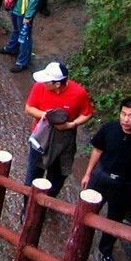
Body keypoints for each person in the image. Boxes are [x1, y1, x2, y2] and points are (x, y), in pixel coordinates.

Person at [79, 98, 131, 261]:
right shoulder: (109, 128)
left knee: (114, 219)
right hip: (101, 176)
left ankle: (105, 250)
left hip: (125, 184)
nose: (125, 119)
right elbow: (97, 150)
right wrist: (88, 174)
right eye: (123, 114)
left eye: (130, 116)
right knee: (86, 209)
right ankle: (79, 240)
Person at [21, 61, 94, 196]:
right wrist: (47, 116)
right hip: (40, 138)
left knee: (57, 178)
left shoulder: (78, 93)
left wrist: (72, 124)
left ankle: (48, 202)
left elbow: (87, 113)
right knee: (32, 176)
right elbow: (29, 108)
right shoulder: (39, 87)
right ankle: (28, 208)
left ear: (57, 84)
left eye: (47, 81)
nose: (43, 83)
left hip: (63, 141)